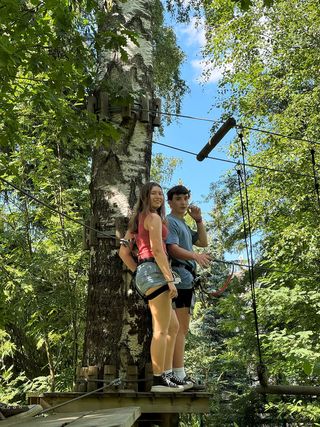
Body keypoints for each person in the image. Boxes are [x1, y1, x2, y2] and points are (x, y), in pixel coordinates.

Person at [119, 182, 192, 392]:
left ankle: (169, 376)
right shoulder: (154, 218)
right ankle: (159, 380)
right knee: (161, 329)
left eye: (160, 193)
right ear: (146, 196)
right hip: (156, 272)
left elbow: (122, 253)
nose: (158, 197)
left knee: (174, 327)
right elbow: (158, 251)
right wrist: (169, 279)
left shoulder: (137, 222)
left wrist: (139, 271)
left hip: (146, 272)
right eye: (154, 193)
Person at [166, 185, 211, 390]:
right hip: (178, 278)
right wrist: (194, 256)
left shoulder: (182, 223)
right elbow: (172, 249)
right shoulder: (170, 222)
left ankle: (178, 372)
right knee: (177, 329)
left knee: (181, 329)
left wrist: (199, 219)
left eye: (185, 198)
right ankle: (177, 373)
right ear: (170, 202)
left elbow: (202, 241)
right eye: (178, 199)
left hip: (186, 279)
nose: (183, 202)